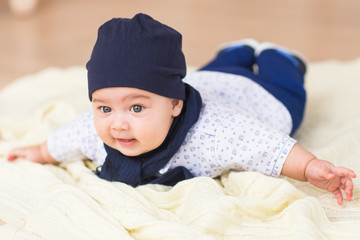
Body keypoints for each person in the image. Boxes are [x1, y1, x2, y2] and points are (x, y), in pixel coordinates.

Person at [7, 13, 356, 205]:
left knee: (288, 84)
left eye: (137, 108)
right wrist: (38, 151)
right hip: (211, 78)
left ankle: (277, 56)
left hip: (260, 95)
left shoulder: (215, 133)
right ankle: (237, 50)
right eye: (104, 108)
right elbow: (66, 139)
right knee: (218, 67)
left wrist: (309, 166)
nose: (118, 125)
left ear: (176, 104)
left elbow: (268, 147)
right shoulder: (97, 129)